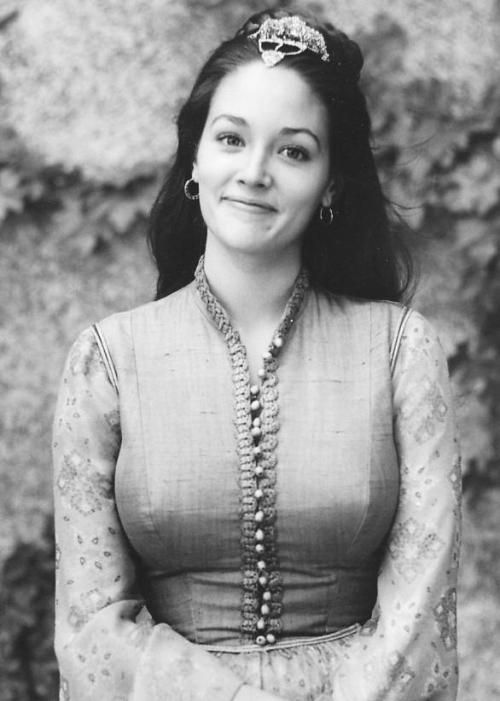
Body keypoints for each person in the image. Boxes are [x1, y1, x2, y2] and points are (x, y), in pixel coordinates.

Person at [52, 8, 461, 701]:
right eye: (232, 139)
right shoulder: (106, 363)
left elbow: (421, 607)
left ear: (331, 182)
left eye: (294, 150)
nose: (254, 172)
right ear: (196, 157)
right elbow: (92, 625)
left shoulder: (400, 350)